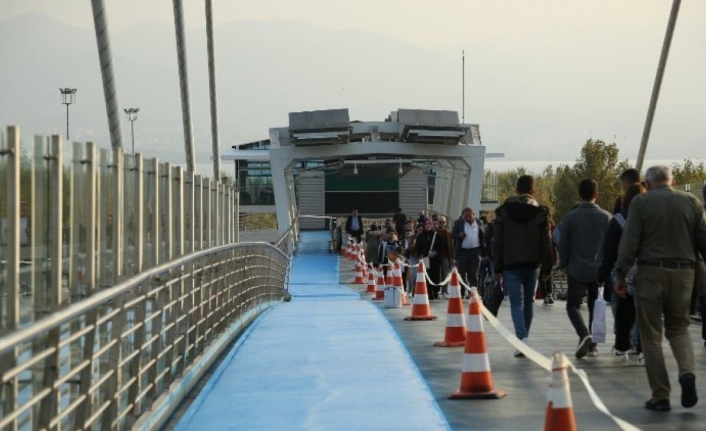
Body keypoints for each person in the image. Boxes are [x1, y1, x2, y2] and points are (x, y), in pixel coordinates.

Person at [614, 165, 706, 411]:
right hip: (684, 273)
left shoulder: (641, 204)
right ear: (671, 180)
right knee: (679, 329)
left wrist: (620, 274)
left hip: (650, 273)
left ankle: (661, 395)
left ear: (647, 182)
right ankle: (687, 374)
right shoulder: (692, 203)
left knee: (651, 336)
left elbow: (629, 242)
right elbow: (703, 242)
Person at [493, 175, 553, 356]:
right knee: (529, 302)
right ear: (533, 191)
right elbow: (547, 242)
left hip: (511, 263)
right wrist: (547, 268)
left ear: (517, 190)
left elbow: (498, 241)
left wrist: (497, 267)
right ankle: (524, 337)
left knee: (516, 302)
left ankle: (521, 338)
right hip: (533, 264)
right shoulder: (541, 212)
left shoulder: (504, 212)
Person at [559, 179, 611, 359]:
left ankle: (583, 334)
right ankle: (593, 346)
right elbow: (611, 245)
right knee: (594, 307)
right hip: (599, 270)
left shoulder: (571, 217)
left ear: (579, 195)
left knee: (573, 306)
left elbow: (563, 244)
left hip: (576, 268)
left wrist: (565, 263)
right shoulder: (606, 217)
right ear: (596, 194)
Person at [597, 183, 645, 363]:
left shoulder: (618, 220)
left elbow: (609, 251)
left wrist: (602, 274)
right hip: (648, 271)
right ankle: (642, 347)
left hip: (624, 271)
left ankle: (622, 346)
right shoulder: (650, 218)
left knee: (624, 312)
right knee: (645, 313)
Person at [452, 207, 485, 297]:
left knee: (473, 272)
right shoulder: (458, 223)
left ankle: (473, 292)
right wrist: (459, 235)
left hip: (475, 251)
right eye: (465, 217)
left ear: (473, 215)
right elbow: (453, 235)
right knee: (462, 272)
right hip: (463, 251)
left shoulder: (479, 222)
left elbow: (483, 236)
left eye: (469, 216)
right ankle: (462, 292)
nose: (467, 218)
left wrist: (483, 251)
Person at [416, 217, 447, 300]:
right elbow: (417, 247)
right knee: (427, 276)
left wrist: (435, 252)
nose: (428, 226)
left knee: (436, 277)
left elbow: (441, 247)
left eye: (430, 224)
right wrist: (421, 254)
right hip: (425, 260)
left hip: (435, 260)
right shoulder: (421, 236)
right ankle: (429, 293)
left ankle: (435, 291)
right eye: (426, 224)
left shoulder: (438, 236)